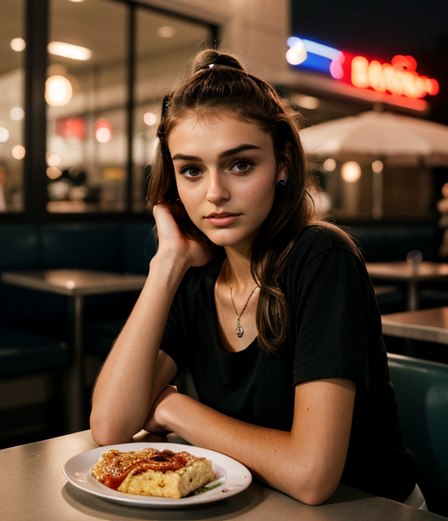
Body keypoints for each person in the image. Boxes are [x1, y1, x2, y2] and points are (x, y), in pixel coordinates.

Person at [90, 49, 424, 507]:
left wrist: (173, 407)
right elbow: (110, 426)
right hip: (262, 503)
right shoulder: (195, 274)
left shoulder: (321, 257)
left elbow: (311, 477)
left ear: (283, 164)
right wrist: (165, 264)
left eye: (240, 164)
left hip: (369, 509)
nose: (215, 193)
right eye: (191, 170)